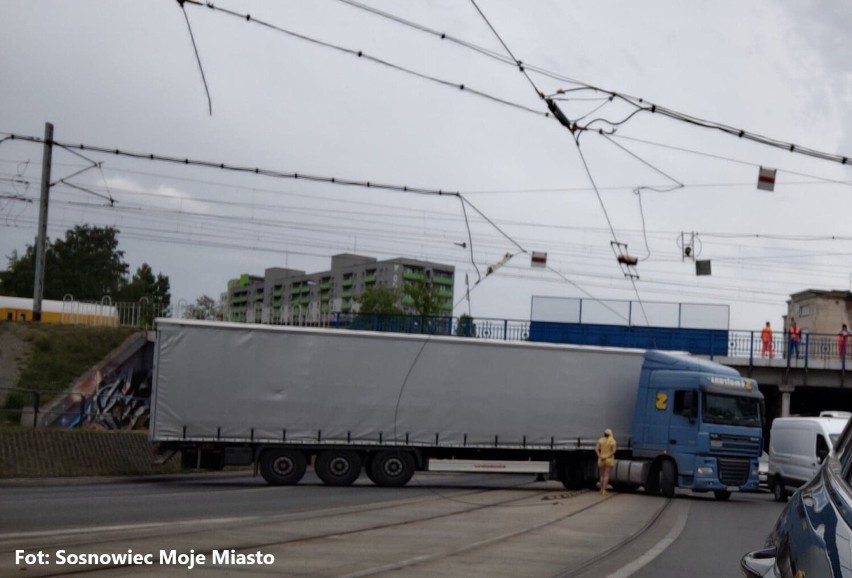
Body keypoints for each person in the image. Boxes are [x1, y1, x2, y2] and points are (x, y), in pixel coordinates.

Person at [596, 428, 616, 496]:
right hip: (609, 460)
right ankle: (604, 490)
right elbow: (614, 451)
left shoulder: (600, 440)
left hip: (601, 459)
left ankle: (601, 489)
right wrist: (607, 456)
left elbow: (596, 449)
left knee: (601, 475)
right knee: (606, 475)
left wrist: (600, 456)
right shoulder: (612, 441)